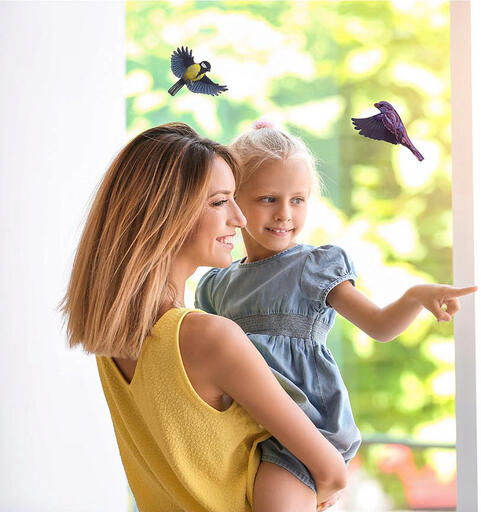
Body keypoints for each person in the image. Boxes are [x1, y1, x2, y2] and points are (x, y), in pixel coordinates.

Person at [60, 122, 347, 512]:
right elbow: (332, 472)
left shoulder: (111, 340)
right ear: (165, 215)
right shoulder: (209, 338)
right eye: (219, 202)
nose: (239, 219)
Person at [195, 120, 477, 511]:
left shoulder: (314, 267)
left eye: (298, 199)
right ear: (234, 200)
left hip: (298, 436)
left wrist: (414, 297)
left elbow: (379, 326)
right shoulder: (216, 284)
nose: (284, 214)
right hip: (235, 433)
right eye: (267, 199)